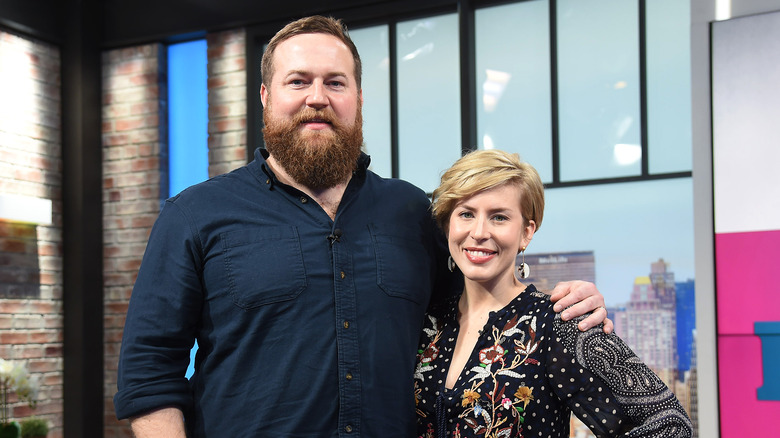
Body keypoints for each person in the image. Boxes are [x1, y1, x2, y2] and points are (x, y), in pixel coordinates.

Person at [114, 16, 612, 437]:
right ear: (266, 96)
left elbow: (469, 310)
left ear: (357, 98)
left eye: (335, 82)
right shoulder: (195, 215)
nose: (318, 97)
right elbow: (147, 375)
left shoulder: (412, 211)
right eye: (298, 81)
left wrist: (562, 309)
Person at [414, 149, 693, 437]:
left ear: (526, 232)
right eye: (466, 214)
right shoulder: (425, 322)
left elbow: (671, 425)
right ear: (449, 225)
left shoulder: (559, 322)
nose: (479, 232)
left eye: (499, 217)